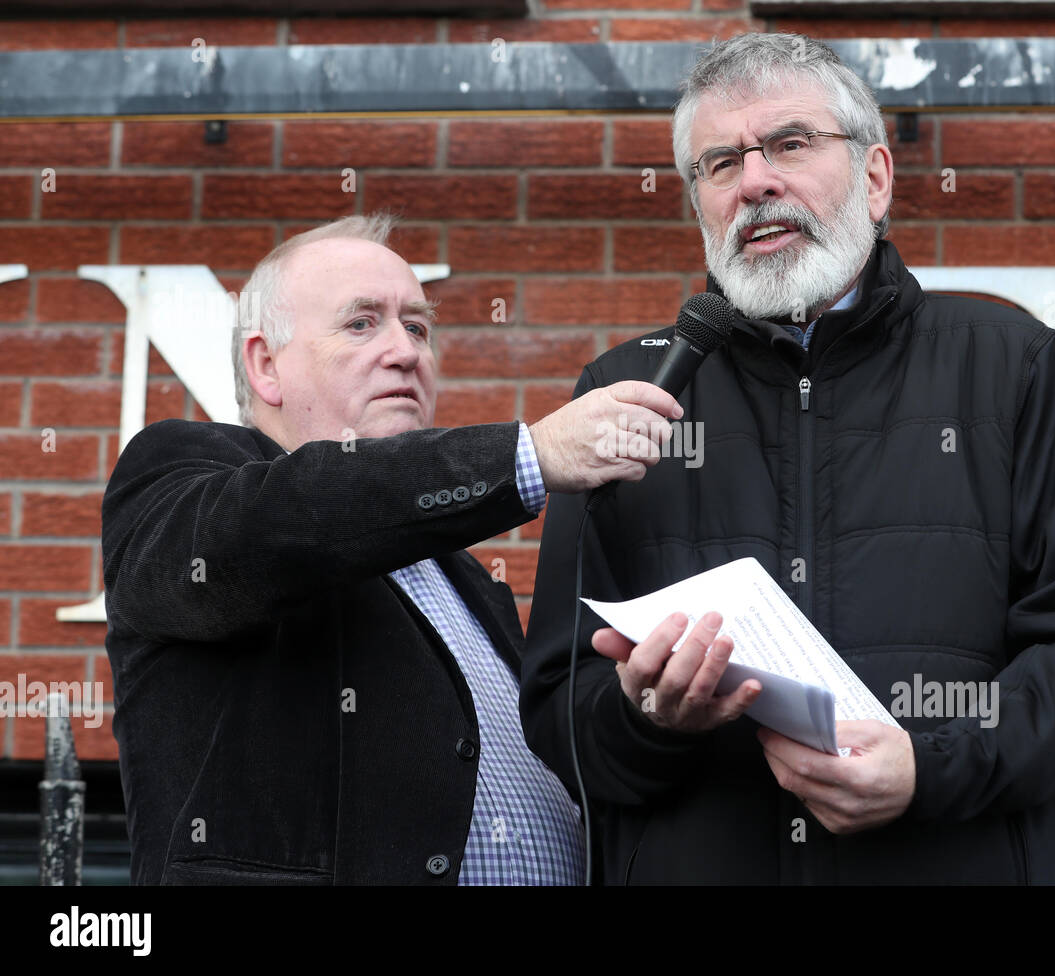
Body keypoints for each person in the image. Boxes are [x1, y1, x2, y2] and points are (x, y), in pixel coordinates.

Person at [519, 33, 1055, 883]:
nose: (755, 182)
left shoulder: (1010, 365)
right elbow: (559, 709)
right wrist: (647, 720)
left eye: (789, 144)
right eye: (719, 163)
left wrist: (930, 768)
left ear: (876, 178)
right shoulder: (625, 394)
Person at [101, 214, 681, 884]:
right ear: (265, 365)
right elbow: (286, 520)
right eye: (361, 322)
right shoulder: (181, 474)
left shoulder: (466, 582)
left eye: (417, 326)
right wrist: (530, 452)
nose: (406, 351)